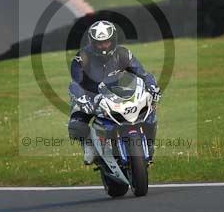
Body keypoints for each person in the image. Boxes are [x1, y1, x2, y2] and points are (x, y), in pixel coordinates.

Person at [68, 20, 161, 165]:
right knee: (76, 123)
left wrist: (152, 87)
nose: (103, 46)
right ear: (91, 42)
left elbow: (143, 74)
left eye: (106, 42)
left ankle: (148, 144)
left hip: (118, 92)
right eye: (99, 43)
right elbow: (75, 83)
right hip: (91, 96)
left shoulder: (123, 54)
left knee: (149, 109)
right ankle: (89, 146)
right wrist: (82, 99)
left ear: (113, 40)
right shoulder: (82, 57)